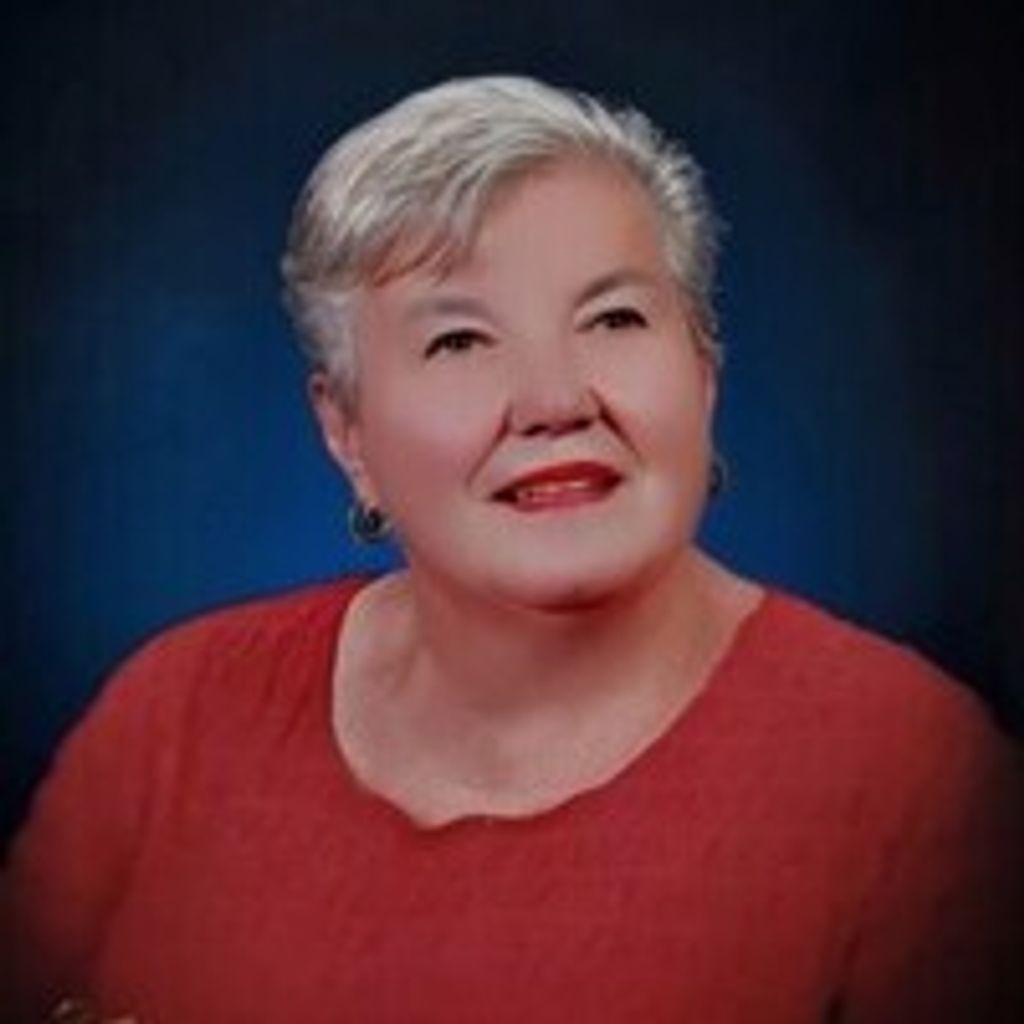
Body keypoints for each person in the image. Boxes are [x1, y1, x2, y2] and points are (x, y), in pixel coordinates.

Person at [3, 75, 1021, 1023]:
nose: (553, 400)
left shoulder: (917, 776)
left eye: (613, 317)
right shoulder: (170, 715)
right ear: (346, 432)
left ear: (703, 377)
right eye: (458, 339)